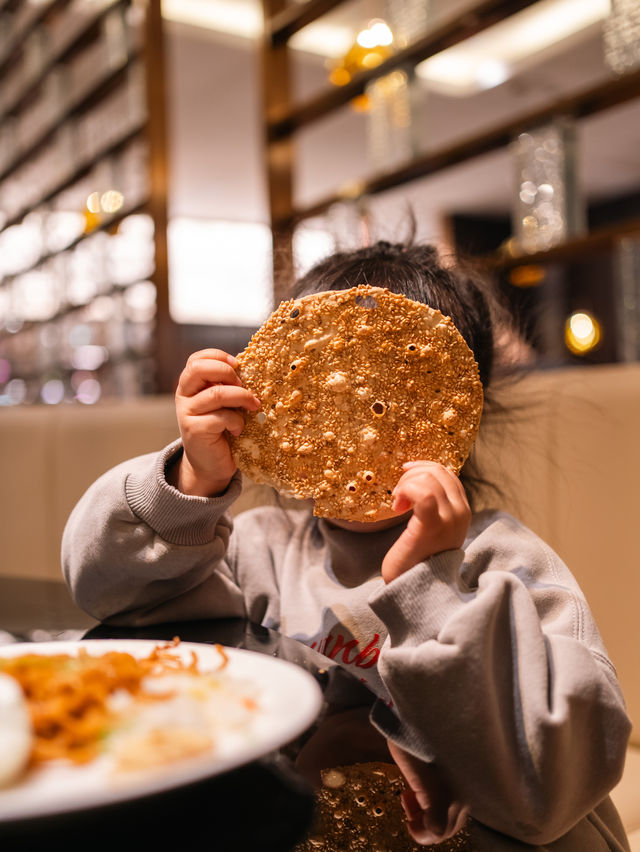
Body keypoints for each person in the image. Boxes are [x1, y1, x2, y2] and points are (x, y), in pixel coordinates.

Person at [62, 240, 631, 850]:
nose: (354, 419)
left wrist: (432, 586)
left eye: (389, 393)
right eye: (317, 387)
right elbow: (108, 594)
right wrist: (188, 485)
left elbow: (550, 788)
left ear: (455, 411)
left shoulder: (506, 564)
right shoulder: (257, 553)